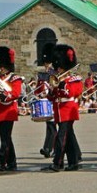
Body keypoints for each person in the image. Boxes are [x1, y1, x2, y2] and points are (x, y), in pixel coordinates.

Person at [42, 44, 82, 172]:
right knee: (69, 137)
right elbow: (52, 97)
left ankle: (57, 162)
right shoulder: (58, 78)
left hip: (68, 110)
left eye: (60, 67)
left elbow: (72, 93)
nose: (58, 69)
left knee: (61, 137)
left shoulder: (74, 79)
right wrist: (51, 90)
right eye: (57, 67)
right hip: (59, 110)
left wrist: (62, 86)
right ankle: (73, 162)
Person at [0, 46, 23, 172]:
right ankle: (12, 162)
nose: (0, 68)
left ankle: (2, 161)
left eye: (2, 66)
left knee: (5, 139)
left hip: (8, 111)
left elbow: (15, 93)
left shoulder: (14, 78)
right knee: (6, 138)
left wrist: (1, 95)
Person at [35, 43, 57, 158]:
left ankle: (49, 148)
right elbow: (37, 89)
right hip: (45, 102)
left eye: (48, 63)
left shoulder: (54, 74)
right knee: (49, 127)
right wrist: (38, 95)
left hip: (52, 103)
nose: (46, 66)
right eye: (45, 64)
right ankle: (48, 148)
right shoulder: (42, 75)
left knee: (52, 127)